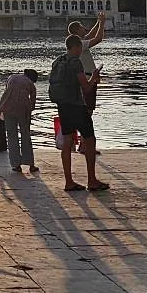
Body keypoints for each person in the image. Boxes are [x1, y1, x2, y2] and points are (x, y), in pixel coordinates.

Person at [48, 35, 108, 193]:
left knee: (67, 141)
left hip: (63, 106)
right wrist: (94, 78)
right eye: (80, 47)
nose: (81, 50)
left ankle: (69, 181)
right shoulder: (75, 62)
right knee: (89, 139)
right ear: (76, 47)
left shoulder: (58, 61)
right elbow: (86, 88)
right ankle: (92, 180)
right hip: (76, 105)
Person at [0, 68, 39, 174]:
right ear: (32, 79)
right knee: (25, 135)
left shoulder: (12, 77)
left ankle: (16, 165)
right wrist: (30, 109)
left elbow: (6, 93)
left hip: (8, 109)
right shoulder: (30, 84)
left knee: (12, 136)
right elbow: (33, 102)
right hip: (22, 109)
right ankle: (30, 164)